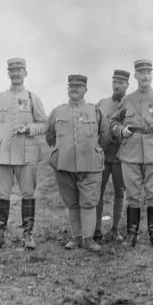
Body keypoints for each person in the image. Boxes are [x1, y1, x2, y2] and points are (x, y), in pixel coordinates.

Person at [110, 59, 153, 248]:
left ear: (152, 75)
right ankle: (132, 236)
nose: (145, 76)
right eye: (141, 73)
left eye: (148, 72)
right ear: (136, 75)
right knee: (132, 194)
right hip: (131, 153)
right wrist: (122, 131)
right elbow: (114, 123)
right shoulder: (127, 100)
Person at [0, 58, 48, 250]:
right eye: (12, 71)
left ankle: (28, 235)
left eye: (19, 70)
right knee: (2, 194)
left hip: (26, 154)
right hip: (3, 155)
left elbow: (44, 124)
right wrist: (4, 140)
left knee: (28, 194)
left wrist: (27, 128)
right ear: (8, 74)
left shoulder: (32, 97)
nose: (15, 74)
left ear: (25, 73)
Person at [46, 74, 111, 252]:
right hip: (64, 165)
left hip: (90, 165)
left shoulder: (95, 111)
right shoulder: (57, 111)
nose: (74, 89)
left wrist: (91, 150)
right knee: (72, 203)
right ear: (67, 88)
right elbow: (50, 137)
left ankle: (88, 239)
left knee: (89, 202)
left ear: (85, 90)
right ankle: (76, 237)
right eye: (71, 86)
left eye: (78, 87)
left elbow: (105, 137)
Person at [94, 69, 130, 244]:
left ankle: (115, 229)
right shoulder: (102, 103)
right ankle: (96, 229)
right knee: (97, 192)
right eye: (114, 82)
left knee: (119, 192)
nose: (117, 85)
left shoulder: (131, 104)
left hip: (121, 155)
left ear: (127, 85)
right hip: (102, 154)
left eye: (120, 83)